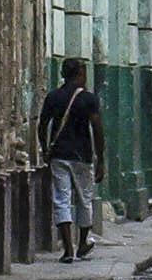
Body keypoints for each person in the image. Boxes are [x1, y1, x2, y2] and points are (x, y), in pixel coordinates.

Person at [38, 57, 105, 258]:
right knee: (85, 199)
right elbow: (97, 128)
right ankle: (82, 242)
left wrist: (45, 149)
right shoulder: (89, 99)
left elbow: (42, 126)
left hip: (59, 154)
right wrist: (101, 159)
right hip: (82, 156)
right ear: (80, 74)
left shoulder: (53, 97)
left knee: (62, 199)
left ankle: (67, 248)